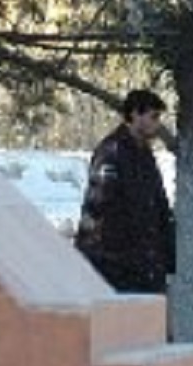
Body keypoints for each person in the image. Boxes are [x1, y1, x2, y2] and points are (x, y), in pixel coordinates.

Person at [75, 88, 176, 295]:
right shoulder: (112, 151)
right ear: (135, 115)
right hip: (116, 264)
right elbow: (101, 206)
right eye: (153, 116)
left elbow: (156, 203)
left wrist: (166, 252)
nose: (157, 124)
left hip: (143, 263)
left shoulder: (144, 153)